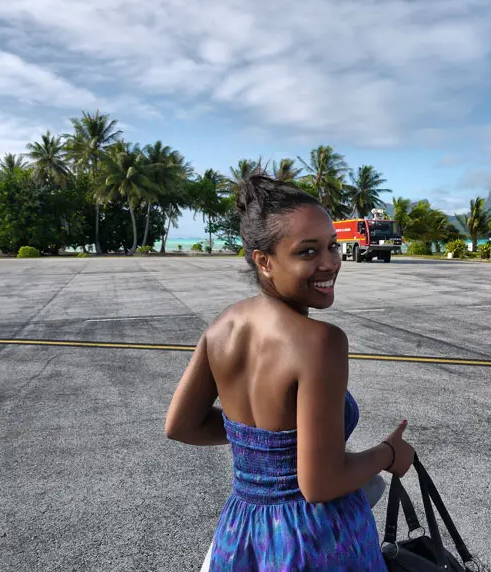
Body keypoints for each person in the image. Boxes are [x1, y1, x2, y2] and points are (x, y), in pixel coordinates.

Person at [164, 172, 415, 571]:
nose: (330, 262)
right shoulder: (321, 342)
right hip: (316, 541)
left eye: (333, 246)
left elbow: (181, 425)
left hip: (242, 535)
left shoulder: (221, 328)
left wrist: (266, 450)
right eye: (307, 252)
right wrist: (389, 453)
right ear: (264, 261)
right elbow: (320, 484)